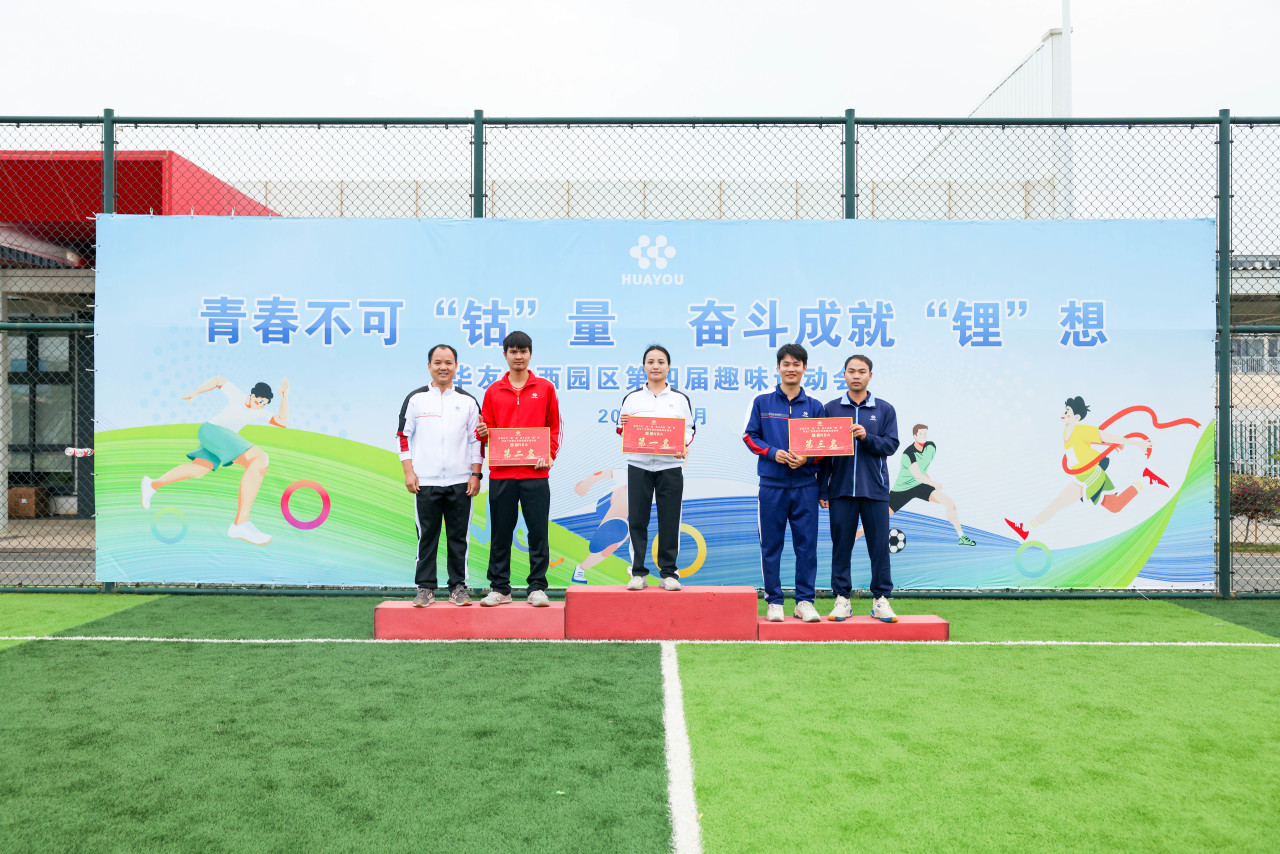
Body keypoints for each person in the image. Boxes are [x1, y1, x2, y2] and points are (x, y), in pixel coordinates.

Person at [141, 375, 289, 545]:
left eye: (264, 404)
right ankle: (240, 523)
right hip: (212, 431)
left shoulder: (259, 412)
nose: (261, 405)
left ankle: (152, 484)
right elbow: (218, 380)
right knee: (260, 459)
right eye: (260, 401)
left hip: (218, 440)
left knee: (199, 469)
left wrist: (284, 397)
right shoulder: (238, 396)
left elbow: (282, 421)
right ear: (253, 395)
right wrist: (196, 391)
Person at [476, 331, 562, 607]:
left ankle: (537, 587)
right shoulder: (493, 391)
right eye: (513, 351)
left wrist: (548, 455)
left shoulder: (545, 388)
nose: (518, 356)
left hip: (535, 474)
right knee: (501, 533)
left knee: (538, 532)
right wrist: (483, 432)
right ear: (505, 355)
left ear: (530, 354)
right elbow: (486, 430)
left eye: (523, 351)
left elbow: (554, 427)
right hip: (502, 474)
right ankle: (500, 588)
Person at [743, 343, 828, 623]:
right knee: (771, 545)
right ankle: (774, 601)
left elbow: (824, 446)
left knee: (807, 546)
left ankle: (804, 601)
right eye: (786, 364)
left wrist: (807, 459)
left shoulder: (815, 406)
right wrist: (773, 453)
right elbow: (750, 436)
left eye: (797, 364)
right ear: (778, 367)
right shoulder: (762, 401)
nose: (791, 369)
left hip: (805, 486)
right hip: (772, 485)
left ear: (805, 368)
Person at [1004, 396, 1167, 541]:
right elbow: (1086, 444)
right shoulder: (1066, 432)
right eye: (1065, 410)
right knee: (1113, 506)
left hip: (1091, 476)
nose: (1064, 413)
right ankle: (1147, 478)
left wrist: (1136, 443)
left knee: (1062, 504)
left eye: (1068, 411)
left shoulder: (1080, 430)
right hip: (1082, 476)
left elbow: (1104, 436)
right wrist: (1110, 445)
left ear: (1076, 417)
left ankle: (1026, 529)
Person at [397, 344, 482, 607]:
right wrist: (409, 472)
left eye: (448, 362)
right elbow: (403, 437)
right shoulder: (416, 399)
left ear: (456, 366)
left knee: (459, 537)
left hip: (460, 482)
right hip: (425, 482)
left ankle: (458, 587)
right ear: (429, 366)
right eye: (437, 362)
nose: (443, 367)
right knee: (427, 537)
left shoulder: (467, 401)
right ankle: (425, 588)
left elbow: (476, 440)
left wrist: (476, 474)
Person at [819, 355, 900, 623]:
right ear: (844, 374)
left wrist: (867, 437)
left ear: (870, 376)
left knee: (879, 547)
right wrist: (823, 490)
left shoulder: (885, 409)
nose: (856, 375)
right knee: (841, 547)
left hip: (875, 491)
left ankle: (881, 599)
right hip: (841, 491)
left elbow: (891, 445)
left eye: (862, 371)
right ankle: (842, 599)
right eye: (851, 371)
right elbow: (823, 455)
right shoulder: (830, 408)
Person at [616, 345, 696, 591]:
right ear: (643, 366)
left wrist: (682, 444)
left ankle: (669, 573)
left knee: (670, 520)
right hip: (638, 466)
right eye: (650, 362)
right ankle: (637, 573)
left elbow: (690, 430)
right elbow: (621, 429)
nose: (656, 366)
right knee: (637, 520)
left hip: (670, 467)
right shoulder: (632, 398)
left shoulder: (680, 399)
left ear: (668, 367)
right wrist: (622, 424)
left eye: (661, 362)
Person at [885, 424, 976, 547]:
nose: (923, 436)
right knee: (882, 517)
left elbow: (923, 470)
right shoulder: (908, 454)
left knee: (950, 503)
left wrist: (930, 484)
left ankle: (961, 537)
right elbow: (918, 475)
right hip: (903, 489)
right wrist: (934, 484)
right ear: (915, 436)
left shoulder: (931, 447)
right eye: (920, 434)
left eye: (925, 433)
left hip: (920, 485)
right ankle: (858, 536)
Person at [570, 469, 631, 584]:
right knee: (629, 492)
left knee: (611, 547)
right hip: (609, 503)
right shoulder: (632, 474)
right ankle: (612, 526)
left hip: (630, 516)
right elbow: (605, 474)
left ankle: (580, 569)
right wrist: (586, 483)